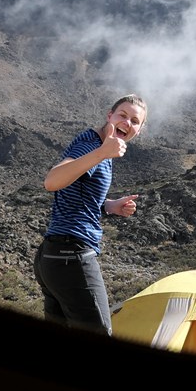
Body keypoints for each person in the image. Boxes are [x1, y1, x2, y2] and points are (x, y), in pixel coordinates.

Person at [33, 93, 147, 335]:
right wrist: (102, 152)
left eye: (135, 121)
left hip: (53, 257)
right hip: (70, 256)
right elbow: (52, 181)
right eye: (123, 115)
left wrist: (110, 206)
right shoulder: (93, 145)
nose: (127, 123)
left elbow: (77, 193)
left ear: (139, 130)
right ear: (110, 116)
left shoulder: (102, 147)